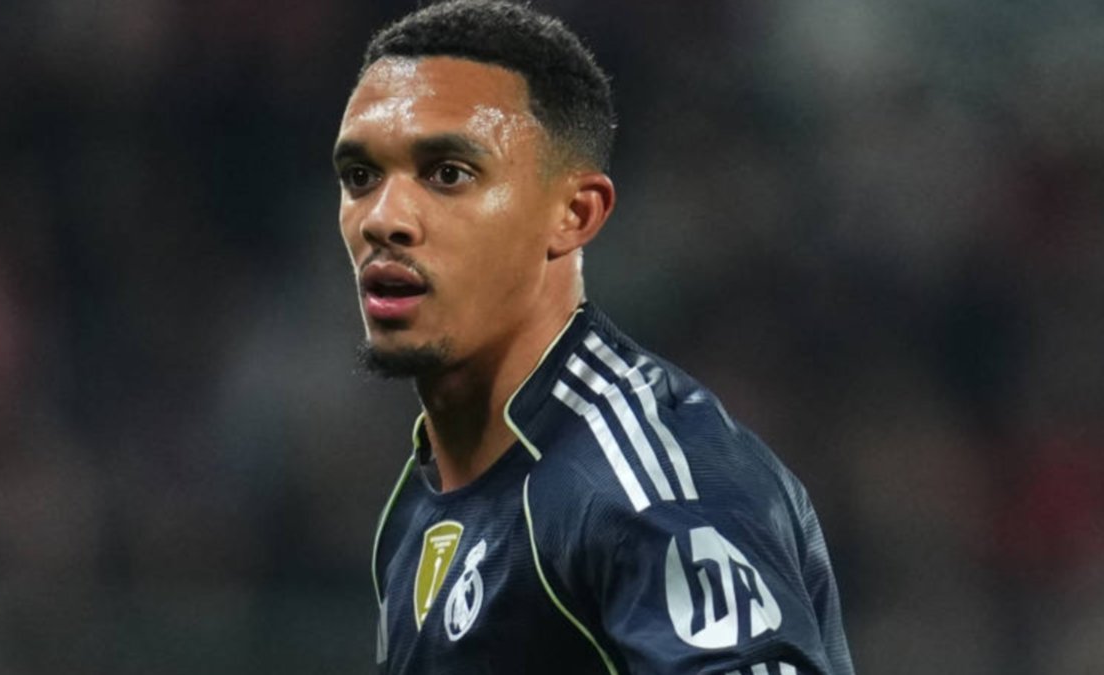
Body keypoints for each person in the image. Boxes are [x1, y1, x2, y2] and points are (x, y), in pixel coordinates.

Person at [332, 1, 855, 673]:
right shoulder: (419, 502)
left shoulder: (643, 486)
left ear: (574, 215)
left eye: (448, 174)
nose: (383, 218)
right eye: (361, 176)